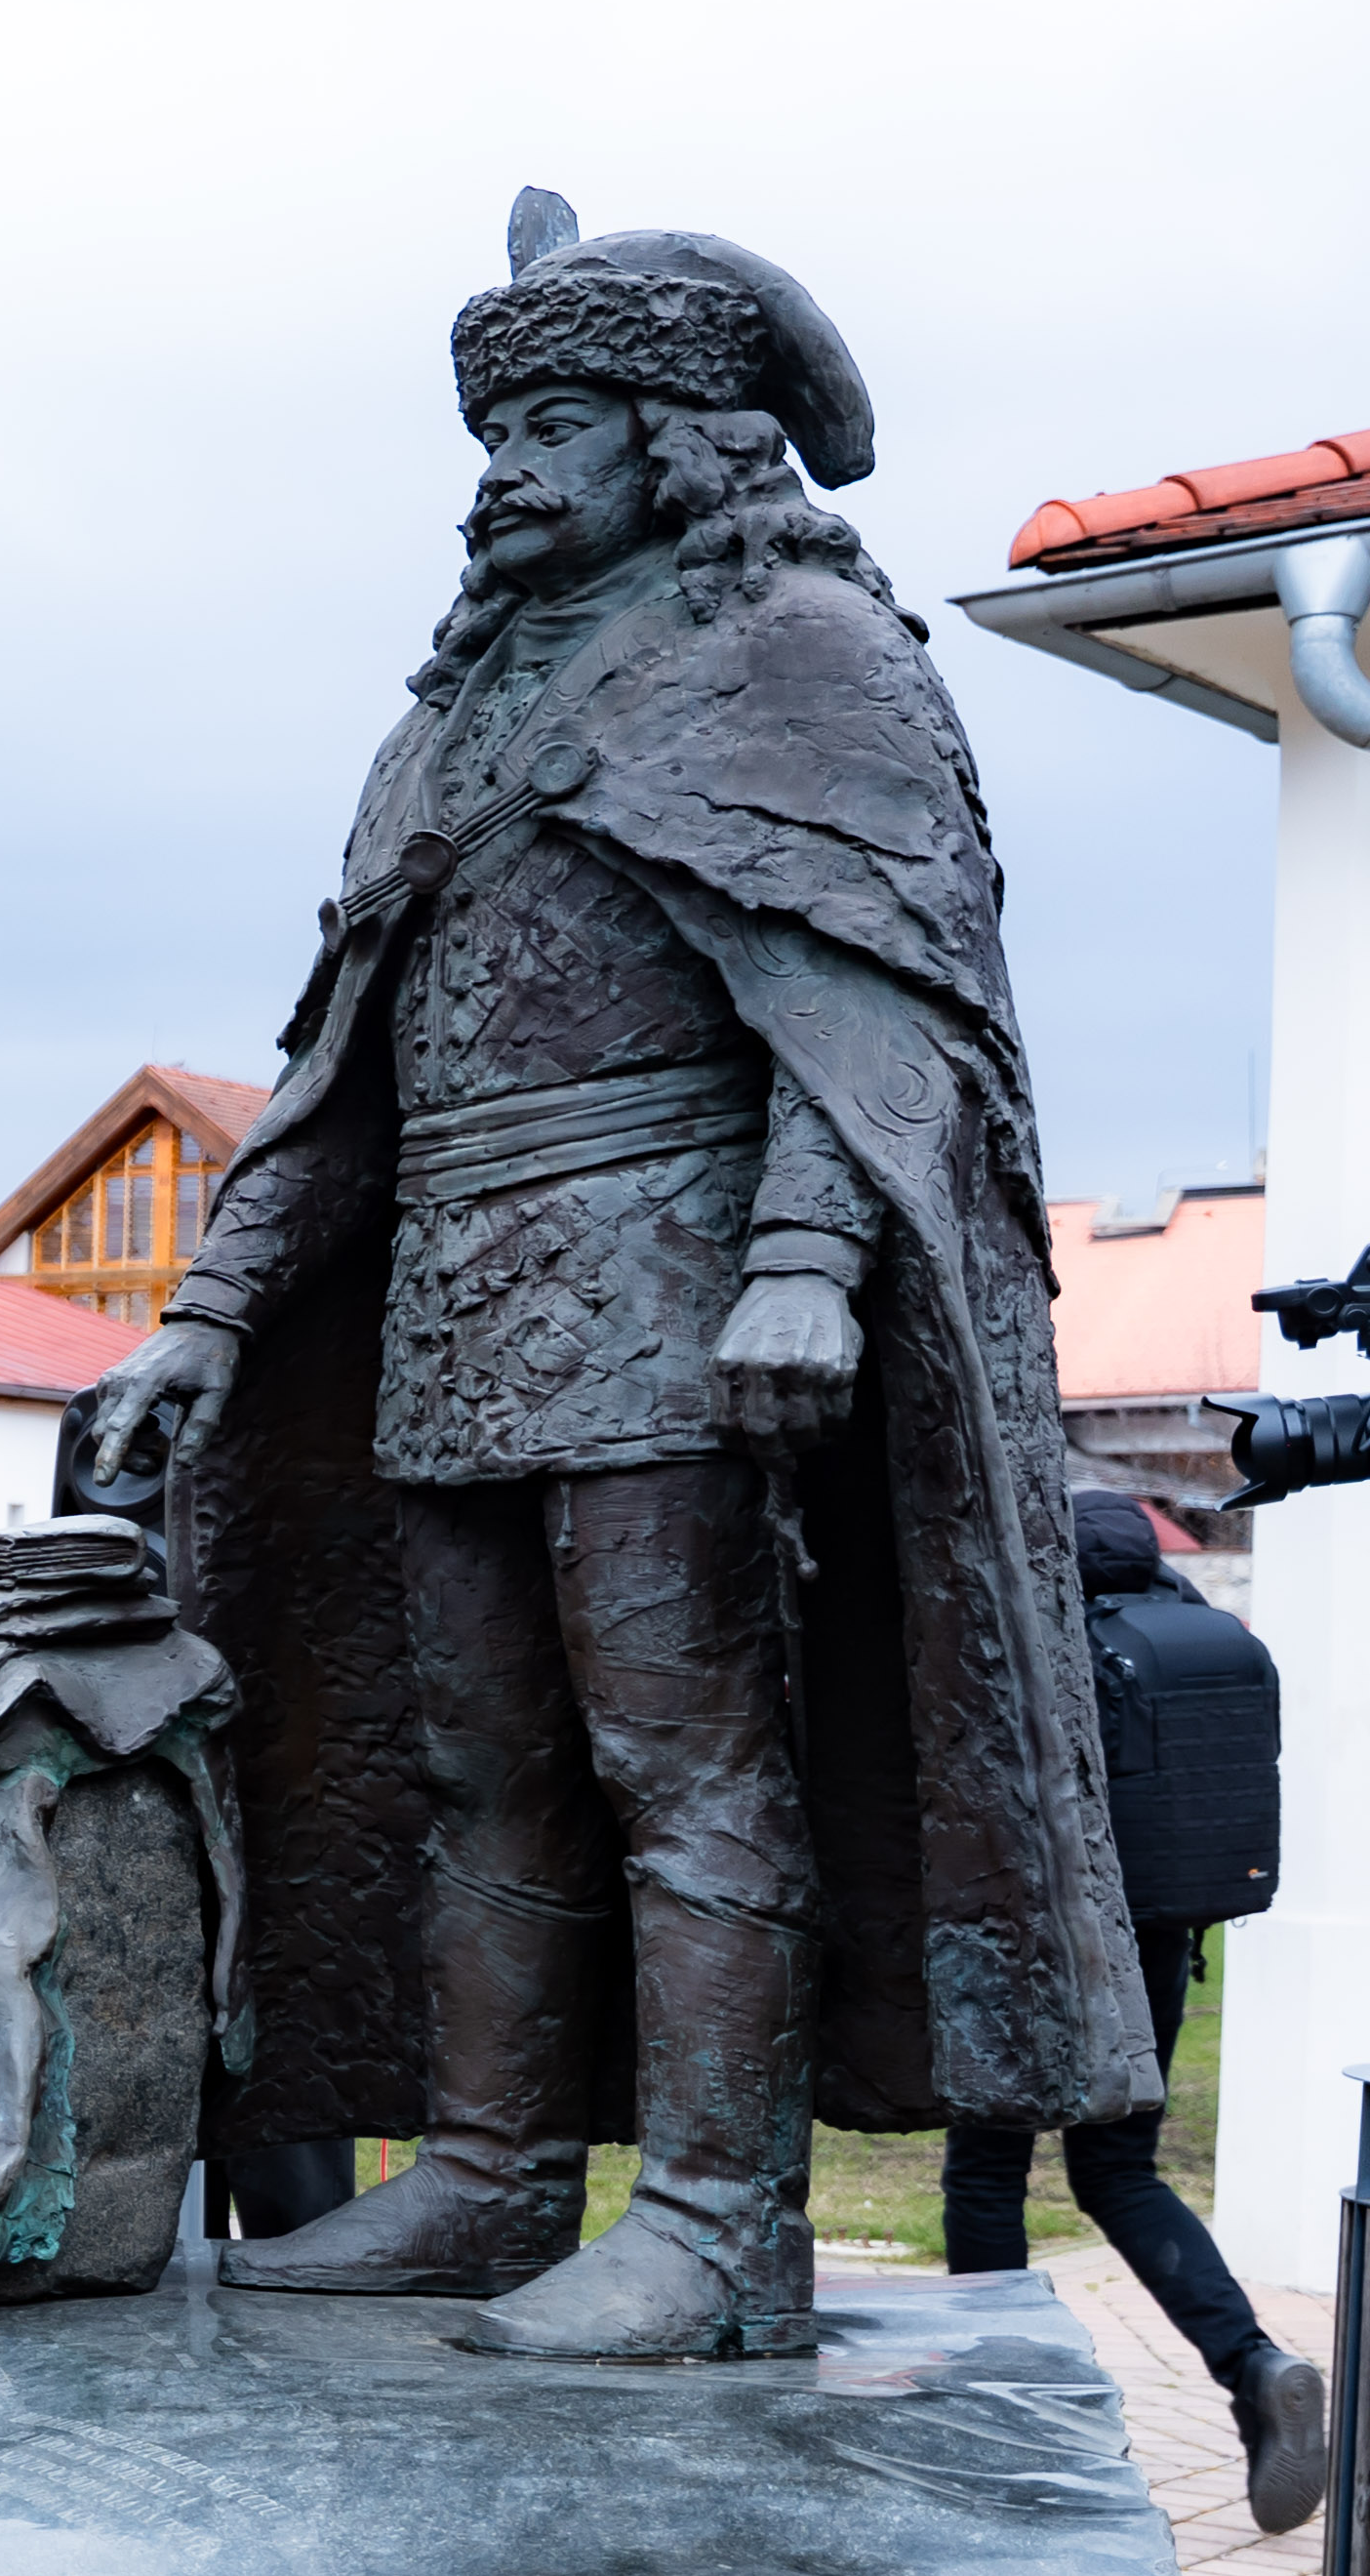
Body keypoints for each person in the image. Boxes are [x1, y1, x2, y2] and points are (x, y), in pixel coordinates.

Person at [77, 193, 1153, 2364]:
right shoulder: (453, 719)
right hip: (454, 1306)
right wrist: (208, 1315)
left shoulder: (807, 662)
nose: (503, 468)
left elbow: (865, 1012)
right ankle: (485, 2181)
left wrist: (799, 1263)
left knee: (687, 1758)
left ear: (680, 437)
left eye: (555, 418)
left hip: (678, 1301)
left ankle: (719, 2217)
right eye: (497, 427)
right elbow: (343, 1068)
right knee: (481, 1766)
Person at [942, 1492, 1323, 2525]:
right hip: (1156, 1937)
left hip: (1031, 1938)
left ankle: (1004, 2413)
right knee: (1118, 2168)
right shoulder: (1190, 1613)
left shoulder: (1033, 1624)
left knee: (988, 2167)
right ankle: (1252, 2364)